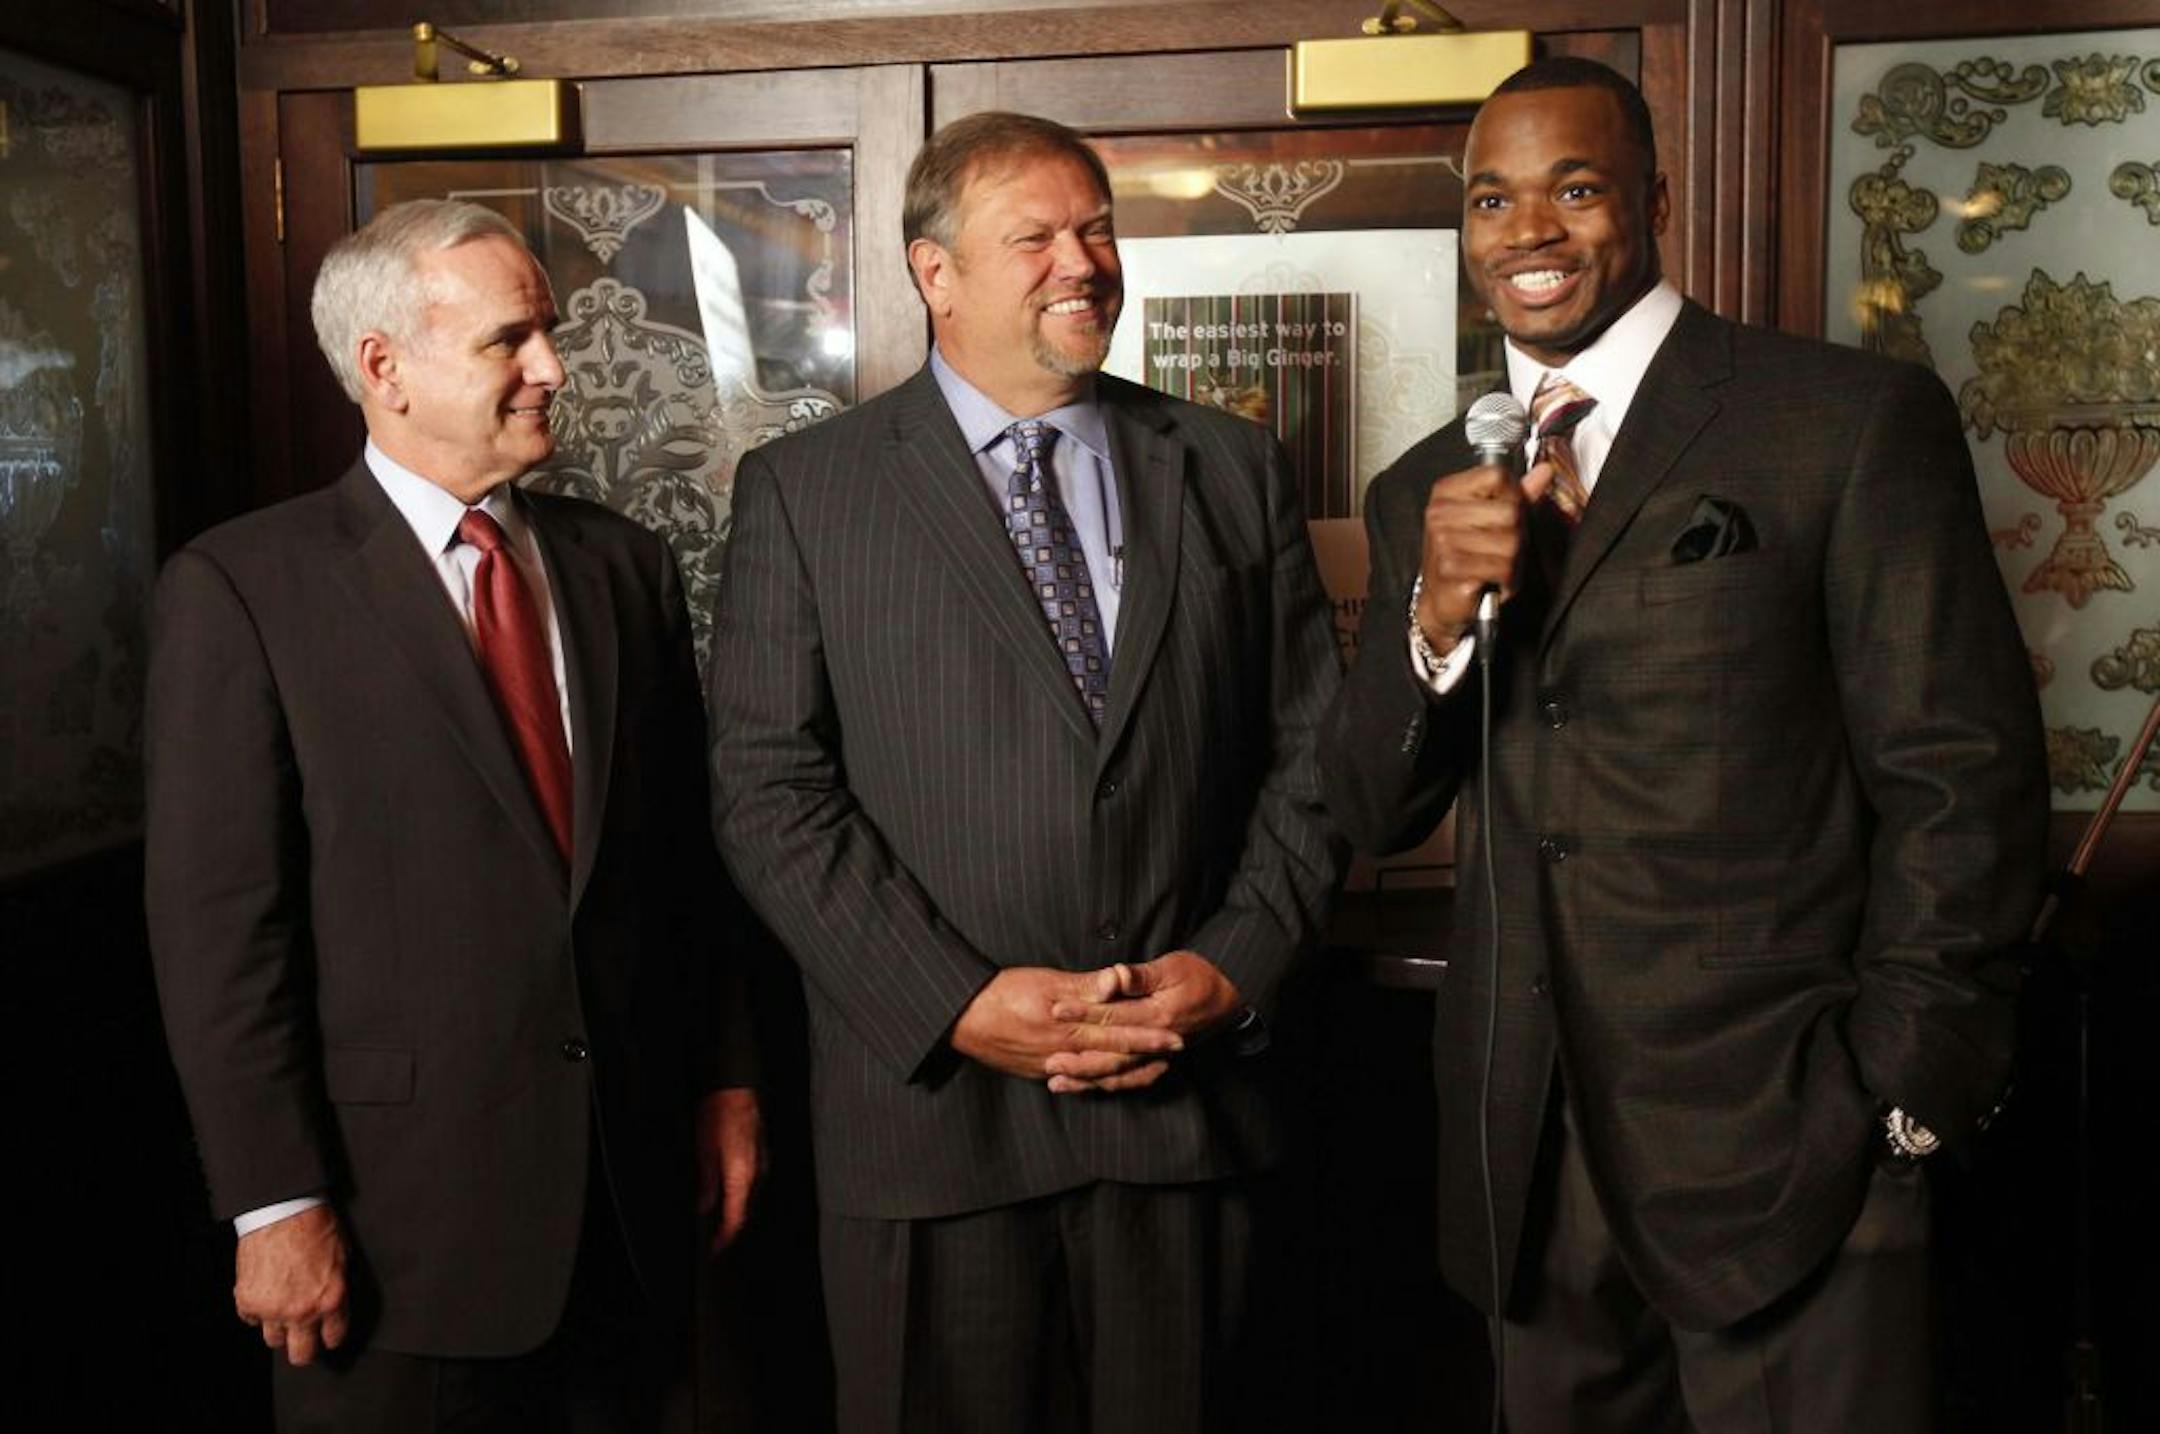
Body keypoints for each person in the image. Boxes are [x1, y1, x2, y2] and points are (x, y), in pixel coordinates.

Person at [1319, 57, 2048, 1433]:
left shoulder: (1844, 419)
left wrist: (1903, 1090)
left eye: (1574, 189)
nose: (1527, 232)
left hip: (1791, 1145)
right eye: (1491, 200)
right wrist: (1432, 618)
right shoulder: (1425, 485)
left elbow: (1963, 777)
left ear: (1654, 202)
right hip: (1526, 1167)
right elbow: (1367, 804)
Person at [707, 111, 1343, 1432]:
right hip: (933, 1134)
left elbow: (1313, 753)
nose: (1084, 262)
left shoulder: (1230, 465)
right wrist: (954, 1001)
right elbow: (768, 791)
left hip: (1187, 1113)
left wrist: (1235, 963)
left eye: (1098, 229)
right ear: (934, 272)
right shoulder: (806, 492)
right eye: (1036, 237)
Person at [146, 199, 763, 1433]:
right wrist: (276, 1204)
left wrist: (728, 1084)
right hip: (397, 1237)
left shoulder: (621, 566)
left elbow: (686, 864)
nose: (553, 368)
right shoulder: (243, 590)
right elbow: (222, 935)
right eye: (508, 340)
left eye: (548, 332)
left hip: (635, 1208)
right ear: (383, 367)